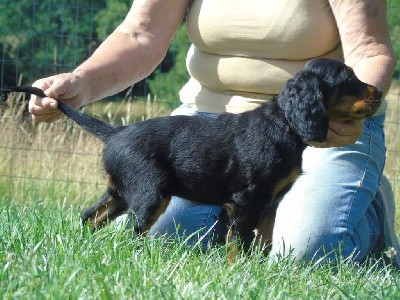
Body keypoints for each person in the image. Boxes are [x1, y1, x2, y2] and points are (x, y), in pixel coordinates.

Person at [29, 0, 399, 268]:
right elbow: (140, 33)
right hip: (207, 129)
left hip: (320, 124)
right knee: (169, 238)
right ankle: (260, 214)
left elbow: (369, 49)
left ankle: (367, 209)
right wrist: (81, 82)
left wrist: (348, 118)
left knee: (308, 252)